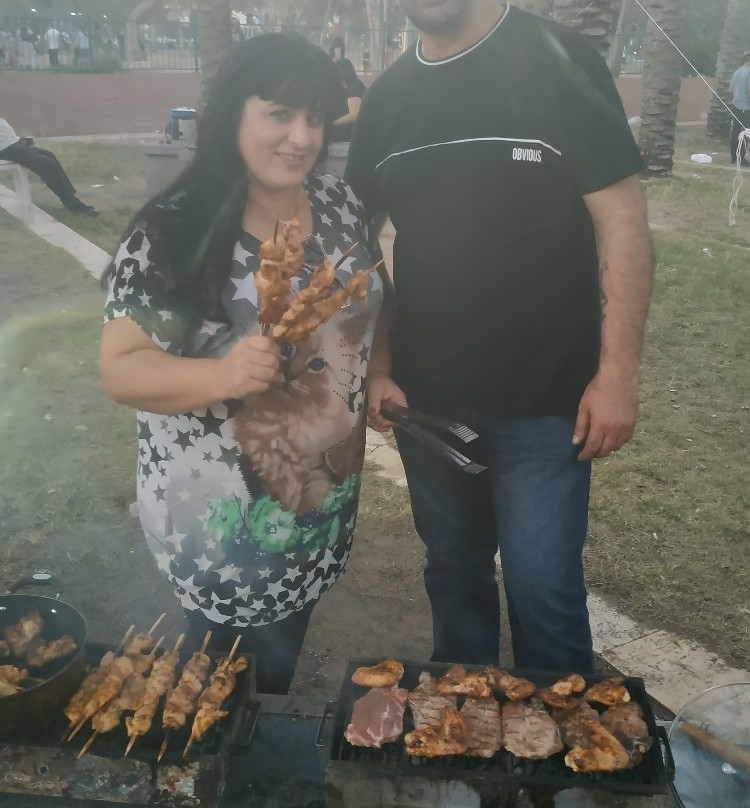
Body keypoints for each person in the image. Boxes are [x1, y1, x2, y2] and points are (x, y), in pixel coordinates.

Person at [346, 0, 652, 674]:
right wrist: (380, 362)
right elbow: (354, 238)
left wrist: (618, 373)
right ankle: (465, 749)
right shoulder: (389, 98)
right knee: (454, 576)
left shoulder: (559, 60)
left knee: (544, 592)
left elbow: (622, 219)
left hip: (547, 404)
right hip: (426, 407)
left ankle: (563, 771)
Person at [99, 34, 385, 694]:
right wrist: (220, 376)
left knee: (277, 665)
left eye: (314, 117)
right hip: (221, 530)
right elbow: (121, 367)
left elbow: (370, 297)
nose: (301, 136)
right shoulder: (173, 231)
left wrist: (381, 371)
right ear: (233, 113)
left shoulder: (340, 205)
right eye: (279, 113)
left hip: (318, 503)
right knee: (218, 690)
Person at [0, 117, 98, 215]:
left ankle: (70, 198)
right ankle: (73, 205)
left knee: (49, 155)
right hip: (6, 149)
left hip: (14, 144)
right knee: (47, 165)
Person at [331, 57, 366, 142]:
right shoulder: (354, 85)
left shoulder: (353, 88)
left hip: (349, 136)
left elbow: (354, 115)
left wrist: (332, 123)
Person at [729, 50, 750, 167]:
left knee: (736, 131)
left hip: (736, 105)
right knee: (746, 133)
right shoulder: (749, 72)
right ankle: (742, 158)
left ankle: (734, 157)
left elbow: (730, 88)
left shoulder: (737, 72)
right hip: (746, 107)